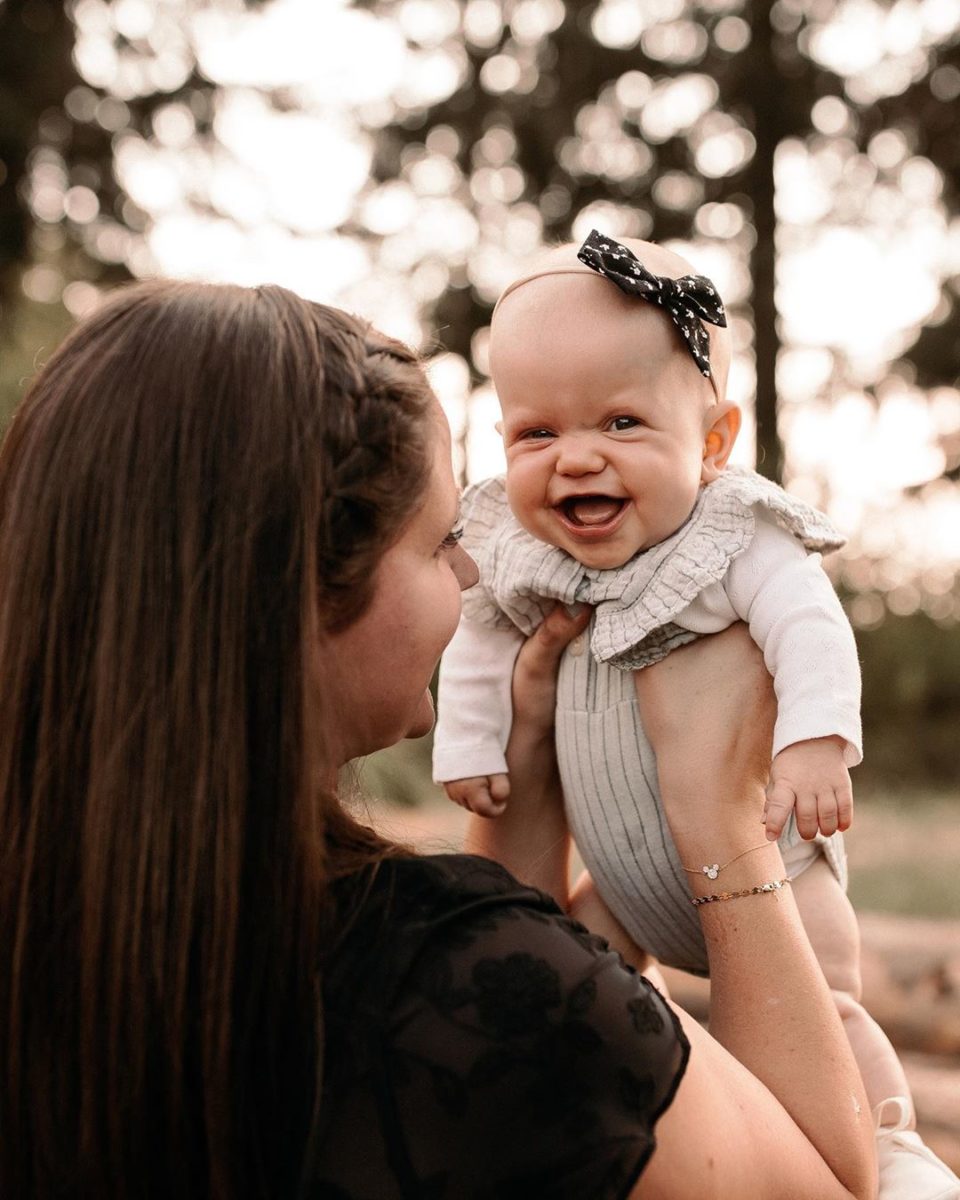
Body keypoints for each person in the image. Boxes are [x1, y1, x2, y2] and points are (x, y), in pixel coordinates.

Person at [0, 279, 881, 1199]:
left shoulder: (74, 937)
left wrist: (525, 780)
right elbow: (826, 1185)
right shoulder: (463, 992)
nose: (469, 569)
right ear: (297, 595)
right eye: (435, 544)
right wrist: (721, 823)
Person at [433, 231, 960, 1198]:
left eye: (622, 423)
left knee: (831, 1012)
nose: (576, 459)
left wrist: (812, 745)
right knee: (578, 954)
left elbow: (810, 628)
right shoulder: (522, 557)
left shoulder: (733, 536)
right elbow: (477, 649)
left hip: (772, 873)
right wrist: (472, 746)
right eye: (536, 434)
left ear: (714, 442)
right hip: (622, 882)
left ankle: (884, 1140)